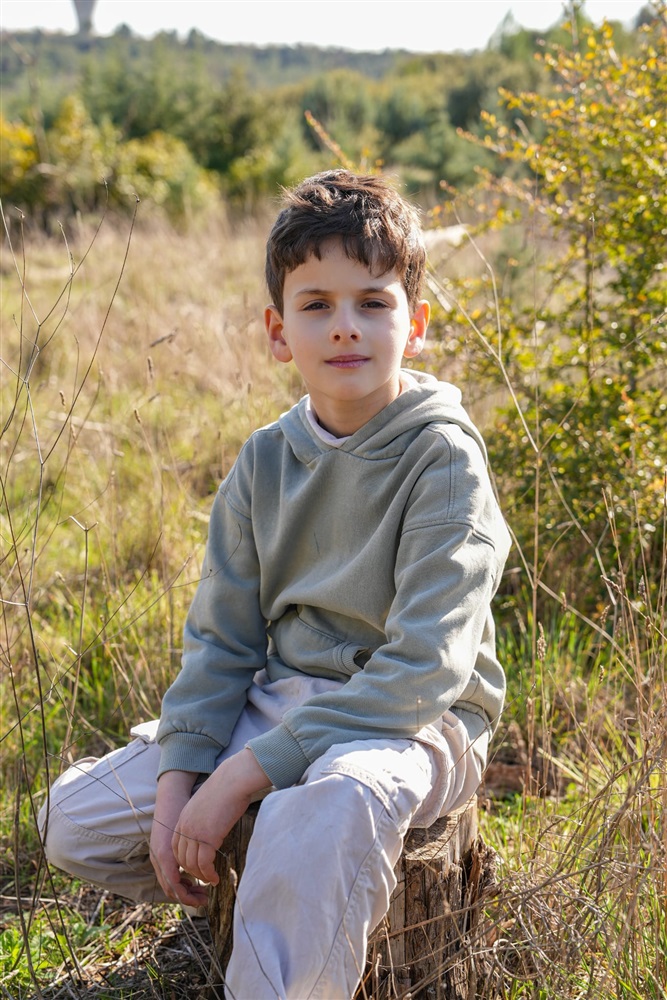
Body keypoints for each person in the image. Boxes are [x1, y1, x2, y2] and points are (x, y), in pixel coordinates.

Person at [39, 169, 511, 999]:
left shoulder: (442, 458)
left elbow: (424, 670)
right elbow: (221, 640)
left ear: (415, 324)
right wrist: (184, 778)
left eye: (372, 302)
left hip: (412, 723)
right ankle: (267, 892)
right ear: (277, 330)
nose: (345, 326)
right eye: (316, 304)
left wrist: (242, 776)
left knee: (322, 807)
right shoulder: (264, 459)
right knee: (74, 821)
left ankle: (283, 963)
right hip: (285, 696)